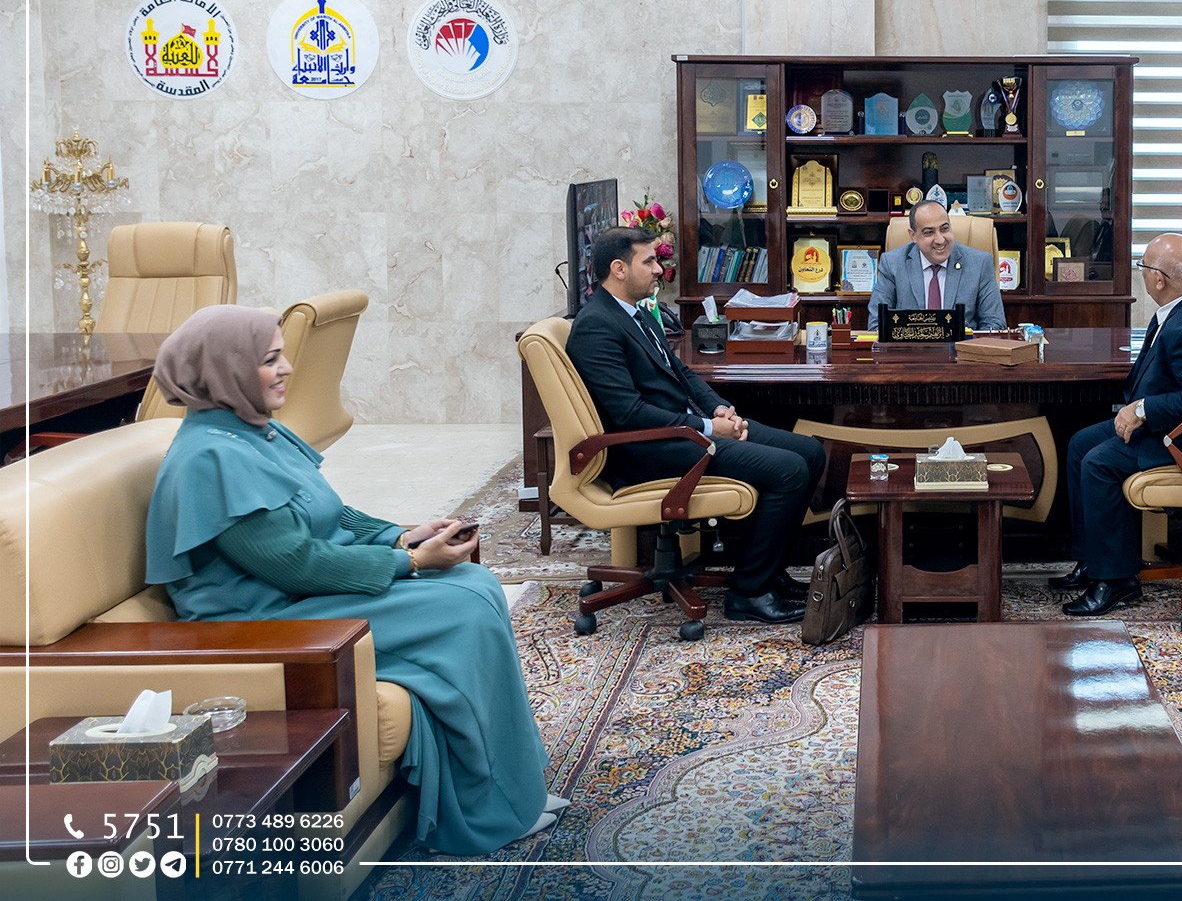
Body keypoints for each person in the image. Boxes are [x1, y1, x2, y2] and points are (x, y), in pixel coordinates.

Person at [143, 305, 559, 856]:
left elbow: (333, 515)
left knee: (477, 586)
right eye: (270, 360)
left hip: (301, 596)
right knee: (465, 607)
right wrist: (412, 563)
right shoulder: (209, 459)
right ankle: (489, 808)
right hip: (266, 619)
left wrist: (401, 536)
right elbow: (295, 563)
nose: (287, 368)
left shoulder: (252, 430)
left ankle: (513, 786)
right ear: (226, 371)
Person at [567, 226, 824, 625]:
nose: (659, 269)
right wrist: (706, 427)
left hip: (683, 432)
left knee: (810, 452)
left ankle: (770, 574)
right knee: (788, 470)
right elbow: (629, 414)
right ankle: (749, 593)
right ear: (619, 269)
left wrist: (719, 409)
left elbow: (681, 373)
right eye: (648, 261)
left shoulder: (636, 310)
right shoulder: (596, 325)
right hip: (649, 449)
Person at [1049, 234, 1182, 617]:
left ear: (1159, 279)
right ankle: (1093, 560)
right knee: (1080, 445)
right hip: (1177, 428)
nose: (1140, 273)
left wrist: (1141, 409)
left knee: (1099, 463)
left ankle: (1116, 581)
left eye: (1142, 266)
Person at [868, 200, 1008, 330]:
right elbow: (877, 325)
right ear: (913, 236)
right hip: (909, 347)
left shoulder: (980, 264)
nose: (940, 240)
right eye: (929, 232)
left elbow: (995, 325)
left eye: (944, 229)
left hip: (961, 348)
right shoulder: (892, 264)